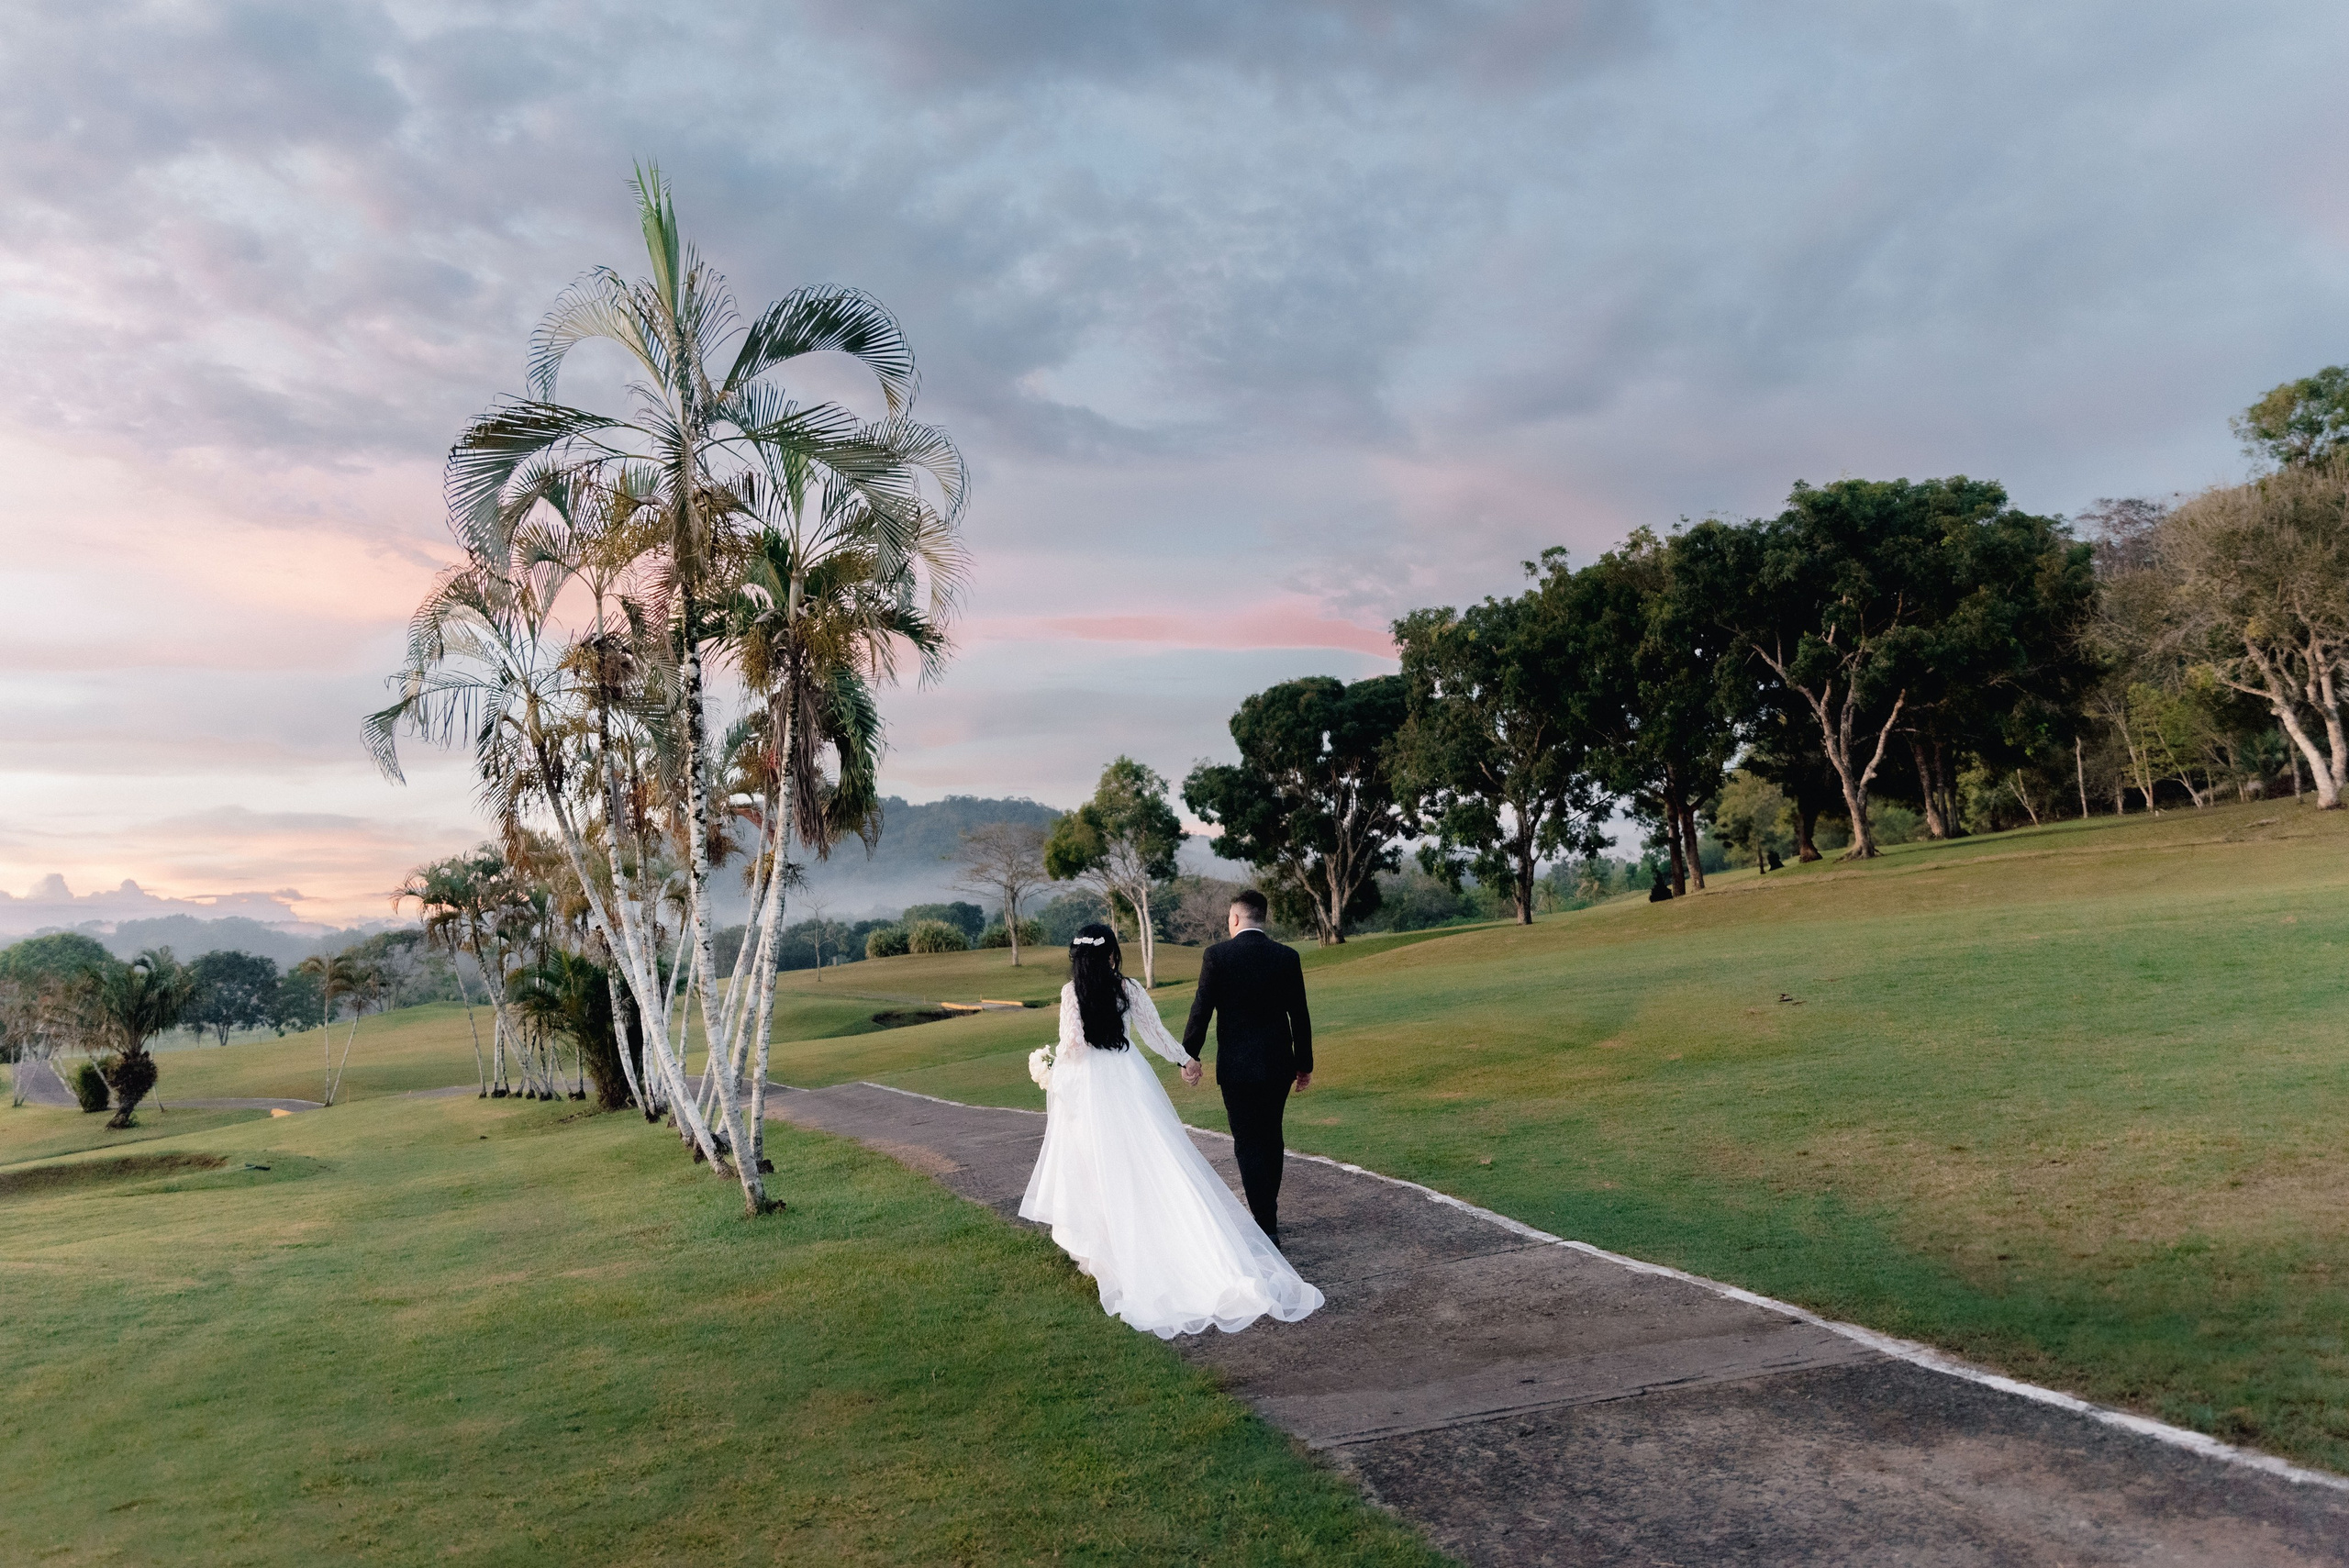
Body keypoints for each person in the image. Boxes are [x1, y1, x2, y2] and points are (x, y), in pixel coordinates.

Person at [1019, 923, 1323, 1339]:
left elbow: (1071, 1045)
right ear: (1111, 955)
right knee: (1150, 1161)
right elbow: (1154, 1033)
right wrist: (1185, 1060)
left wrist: (1052, 1068)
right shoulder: (1129, 989)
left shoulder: (1071, 994)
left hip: (1088, 1086)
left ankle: (1106, 1246)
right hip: (1128, 1080)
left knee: (1093, 1162)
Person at [1178, 887, 1312, 1244]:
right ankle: (1268, 1213)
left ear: (1234, 919)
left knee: (1247, 1142)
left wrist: (1189, 1055)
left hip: (1236, 1067)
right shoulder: (1286, 956)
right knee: (1272, 1137)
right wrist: (1305, 1064)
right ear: (1262, 919)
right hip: (1278, 1064)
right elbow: (1299, 1015)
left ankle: (1265, 1222)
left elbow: (1201, 1008)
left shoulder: (1217, 955)